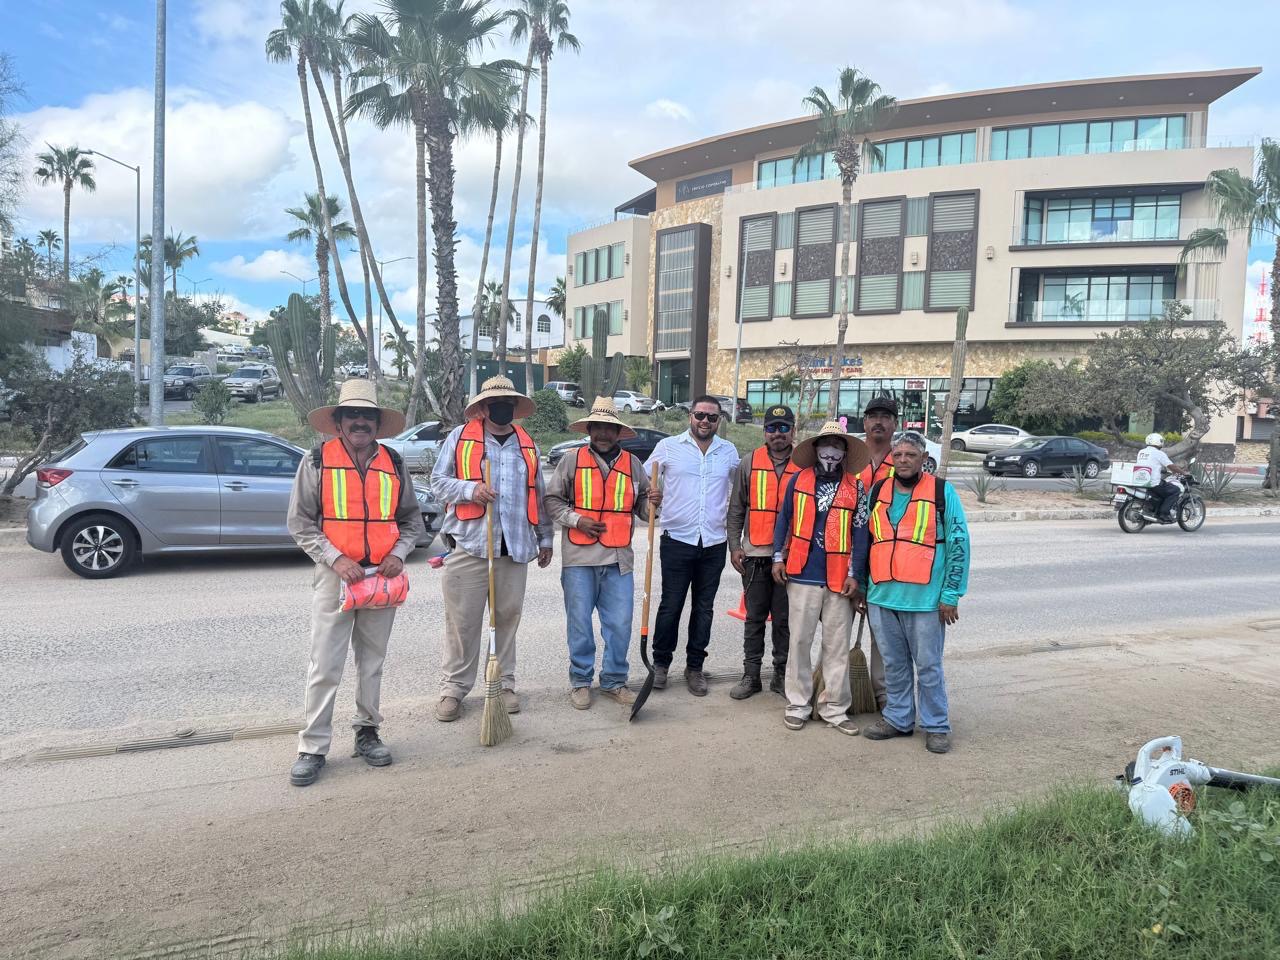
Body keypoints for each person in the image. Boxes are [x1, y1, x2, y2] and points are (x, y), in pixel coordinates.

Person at [286, 379, 425, 787]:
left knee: (372, 662)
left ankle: (368, 732)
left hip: (381, 579)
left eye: (368, 415)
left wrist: (398, 554)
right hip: (335, 576)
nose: (360, 421)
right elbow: (301, 523)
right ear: (339, 421)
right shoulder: (317, 461)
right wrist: (336, 558)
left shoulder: (395, 463)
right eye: (353, 415)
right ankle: (312, 747)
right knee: (325, 664)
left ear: (377, 423)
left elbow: (411, 521)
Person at [431, 375, 553, 722]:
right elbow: (438, 483)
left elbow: (538, 495)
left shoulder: (528, 446)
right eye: (494, 403)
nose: (501, 408)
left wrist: (545, 538)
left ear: (514, 407)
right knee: (463, 624)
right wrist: (471, 491)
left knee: (506, 621)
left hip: (514, 548)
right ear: (482, 408)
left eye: (507, 403)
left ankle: (504, 684)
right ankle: (453, 689)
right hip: (469, 546)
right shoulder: (460, 438)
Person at [850, 431, 969, 755]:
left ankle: (936, 725)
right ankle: (899, 719)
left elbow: (959, 544)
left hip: (926, 601)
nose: (903, 460)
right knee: (894, 665)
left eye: (910, 456)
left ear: (922, 460)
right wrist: (861, 585)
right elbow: (866, 542)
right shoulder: (878, 491)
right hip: (882, 598)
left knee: (929, 666)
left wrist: (951, 594)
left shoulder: (942, 492)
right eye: (898, 455)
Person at [544, 396, 651, 709]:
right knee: (579, 624)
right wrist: (577, 520)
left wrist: (653, 501)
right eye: (598, 427)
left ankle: (614, 681)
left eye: (609, 428)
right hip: (579, 559)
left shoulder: (633, 464)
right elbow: (552, 502)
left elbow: (643, 508)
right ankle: (580, 680)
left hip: (619, 558)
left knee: (619, 624)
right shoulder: (571, 460)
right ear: (589, 429)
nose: (603, 433)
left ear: (618, 432)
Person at [772, 420, 870, 734]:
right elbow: (783, 520)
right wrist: (777, 556)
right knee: (799, 642)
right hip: (801, 572)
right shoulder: (798, 480)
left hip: (841, 579)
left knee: (836, 647)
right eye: (826, 444)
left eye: (837, 445)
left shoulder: (856, 487)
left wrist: (857, 575)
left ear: (844, 452)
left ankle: (834, 709)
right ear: (816, 449)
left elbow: (861, 534)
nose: (831, 450)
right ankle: (798, 705)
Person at [644, 395, 740, 696]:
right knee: (671, 605)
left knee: (704, 608)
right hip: (677, 539)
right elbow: (644, 480)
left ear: (719, 420)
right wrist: (651, 495)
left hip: (713, 541)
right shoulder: (668, 447)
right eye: (700, 415)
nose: (705, 421)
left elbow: (740, 490)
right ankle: (660, 664)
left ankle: (695, 667)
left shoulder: (729, 452)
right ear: (691, 416)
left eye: (712, 417)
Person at [725, 404, 798, 699]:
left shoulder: (804, 465)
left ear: (792, 430)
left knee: (784, 620)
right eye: (771, 428)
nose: (777, 434)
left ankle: (781, 675)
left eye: (783, 428)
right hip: (755, 553)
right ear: (764, 431)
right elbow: (736, 508)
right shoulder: (749, 462)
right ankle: (751, 675)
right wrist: (735, 546)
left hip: (792, 556)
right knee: (754, 618)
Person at [856, 393, 899, 711]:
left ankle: (882, 693)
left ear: (895, 423)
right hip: (846, 558)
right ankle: (841, 687)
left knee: (882, 632)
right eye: (873, 416)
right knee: (838, 626)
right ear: (865, 421)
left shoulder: (903, 460)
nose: (879, 421)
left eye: (886, 416)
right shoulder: (849, 458)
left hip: (888, 559)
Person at [1136, 432, 1185, 522]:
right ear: (1159, 442)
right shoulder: (1159, 453)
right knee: (1175, 490)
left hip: (1140, 481)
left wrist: (1160, 470)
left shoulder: (1141, 452)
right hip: (1153, 483)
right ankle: (1164, 514)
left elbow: (1149, 464)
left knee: (1164, 488)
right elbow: (1171, 466)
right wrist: (1183, 473)